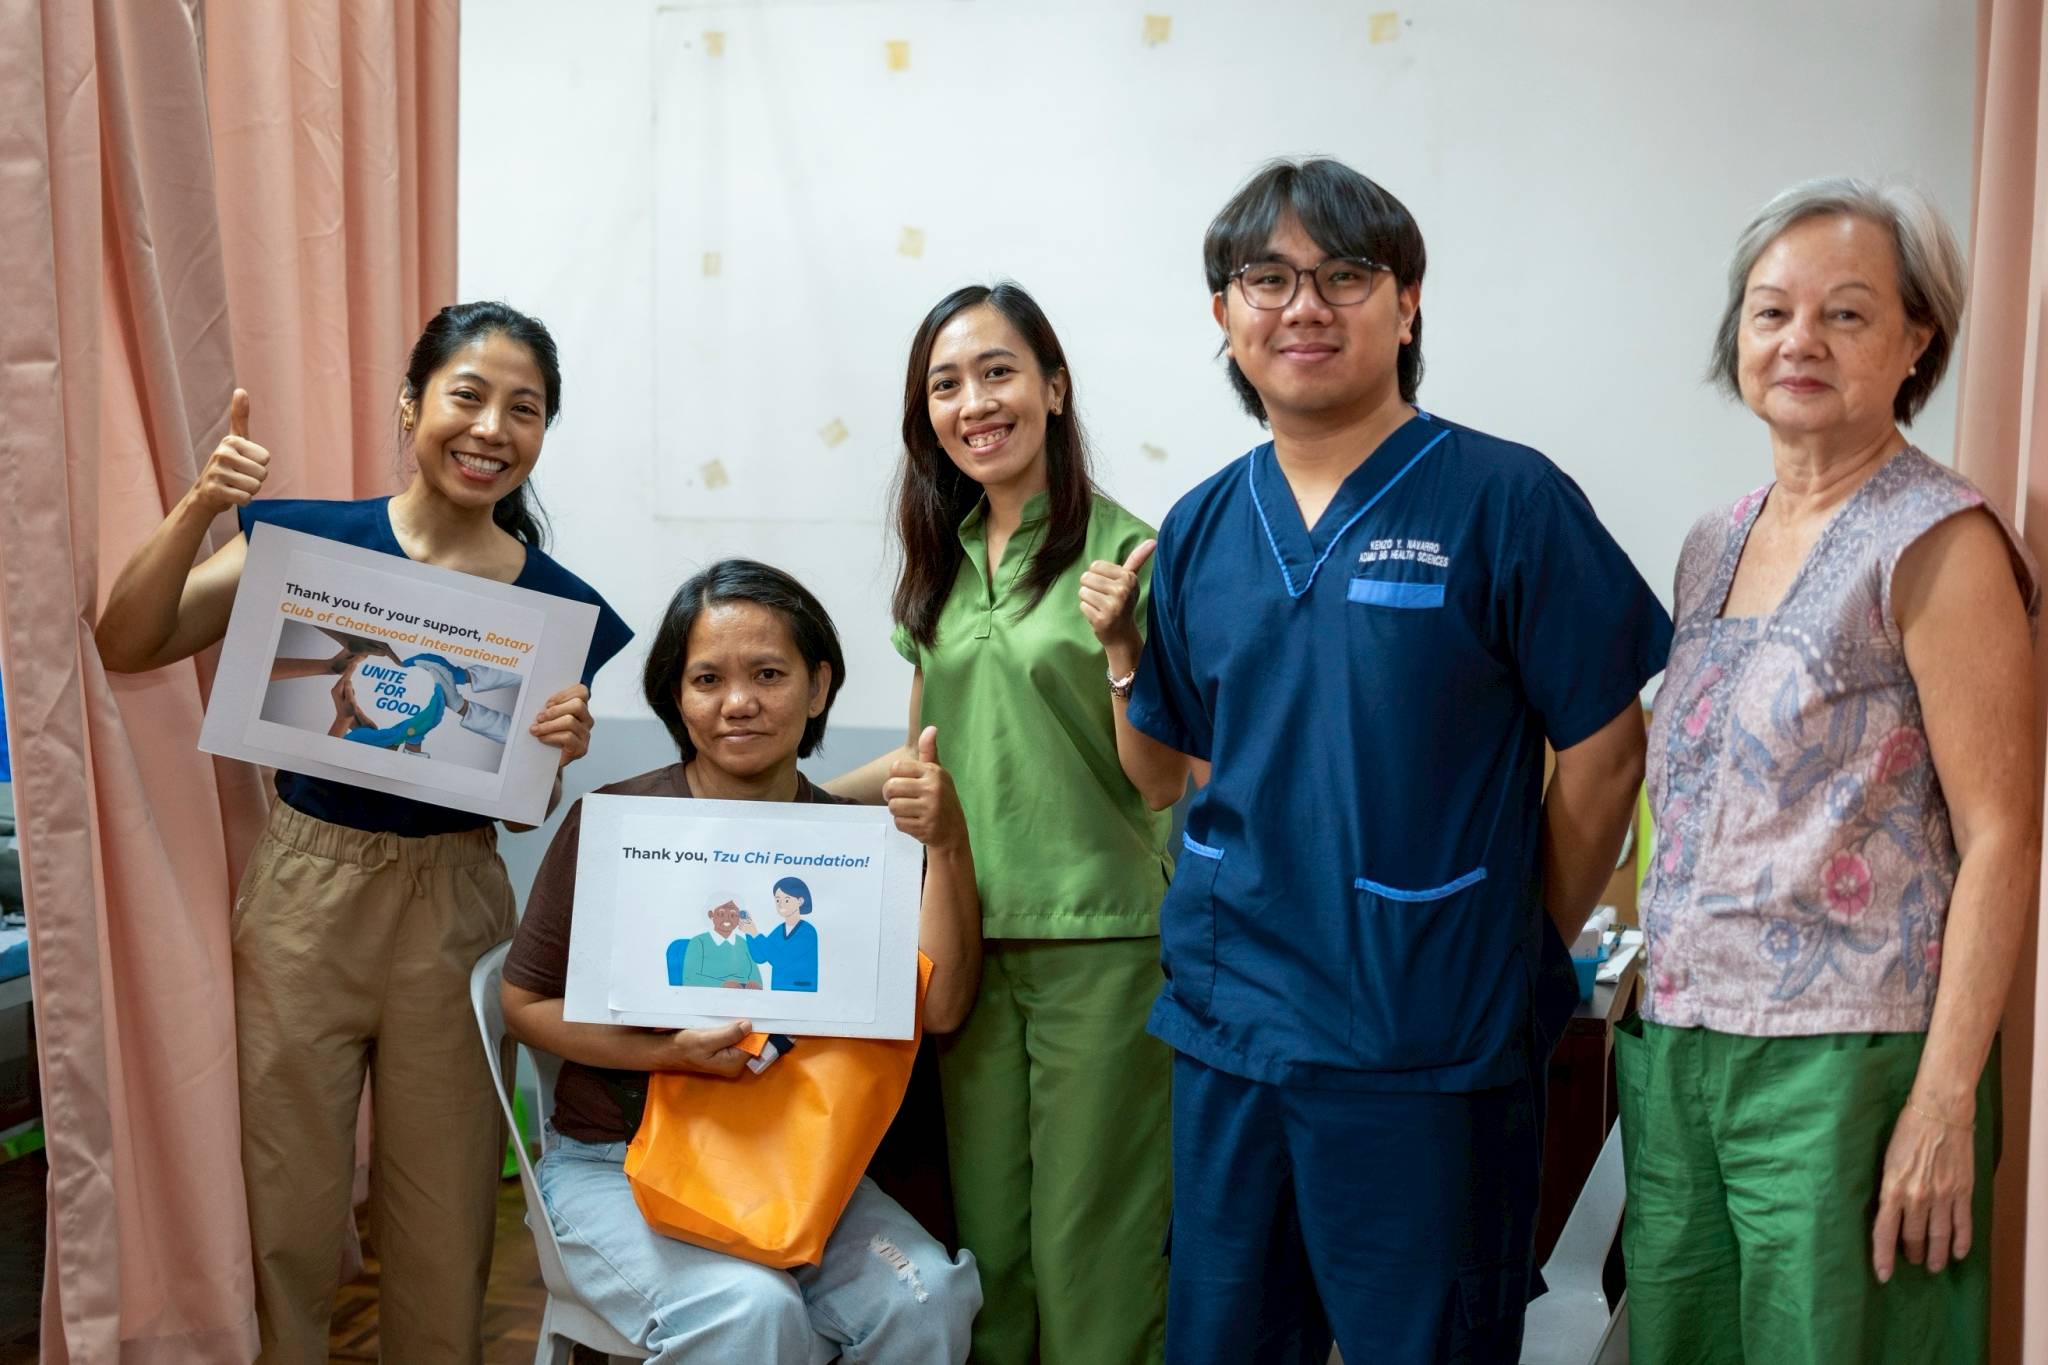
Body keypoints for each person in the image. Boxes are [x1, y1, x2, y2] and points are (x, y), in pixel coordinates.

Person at [1116, 158, 1672, 1362]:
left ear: (1406, 303)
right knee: (1223, 1340)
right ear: (1223, 313)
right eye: (1267, 279)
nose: (1302, 307)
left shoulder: (1505, 500)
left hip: (1425, 1043)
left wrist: (1516, 938)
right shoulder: (1201, 524)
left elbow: (1603, 751)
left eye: (1343, 276)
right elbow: (1185, 765)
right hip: (1231, 1032)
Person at [94, 301, 633, 1364]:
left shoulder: (556, 608)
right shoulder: (309, 545)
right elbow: (128, 638)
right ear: (410, 405)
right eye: (467, 395)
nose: (491, 429)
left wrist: (556, 754)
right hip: (307, 888)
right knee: (285, 1197)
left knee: (446, 1205)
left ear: (542, 433)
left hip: (456, 899)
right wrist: (202, 504)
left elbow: (516, 808)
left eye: (523, 410)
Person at [1619, 177, 2041, 1365]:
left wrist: (1942, 1100)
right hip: (1682, 1045)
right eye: (1770, 312)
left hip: (1847, 1067)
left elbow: (2004, 833)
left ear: (1914, 343)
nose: (1798, 340)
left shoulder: (1937, 538)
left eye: (1845, 313)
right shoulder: (1713, 538)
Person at [501, 558, 983, 1363]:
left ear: (818, 686)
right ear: (676, 695)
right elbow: (524, 1004)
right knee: (752, 1307)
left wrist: (949, 842)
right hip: (614, 1163)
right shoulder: (615, 821)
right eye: (707, 679)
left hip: (792, 1162)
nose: (738, 702)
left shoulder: (856, 844)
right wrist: (667, 1052)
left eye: (768, 674)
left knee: (926, 1297)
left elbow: (940, 1008)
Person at [828, 282, 1183, 1364]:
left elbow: (1163, 779)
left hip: (1103, 941)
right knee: (991, 1247)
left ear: (1054, 387)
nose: (974, 403)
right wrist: (781, 806)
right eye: (947, 385)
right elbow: (926, 760)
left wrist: (1122, 649)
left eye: (998, 372)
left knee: (1092, 1251)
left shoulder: (1131, 554)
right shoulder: (939, 561)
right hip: (966, 947)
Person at [741, 875, 821, 991]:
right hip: (779, 989)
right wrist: (748, 933)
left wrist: (755, 934)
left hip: (801, 990)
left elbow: (781, 960)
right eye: (778, 900)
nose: (781, 904)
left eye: (786, 900)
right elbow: (760, 957)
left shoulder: (808, 931)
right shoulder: (779, 930)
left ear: (800, 901)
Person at [669, 898, 764, 988]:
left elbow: (756, 979)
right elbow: (690, 978)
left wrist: (753, 986)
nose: (727, 919)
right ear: (711, 915)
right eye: (721, 914)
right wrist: (723, 985)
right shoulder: (698, 942)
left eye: (733, 915)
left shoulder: (743, 943)